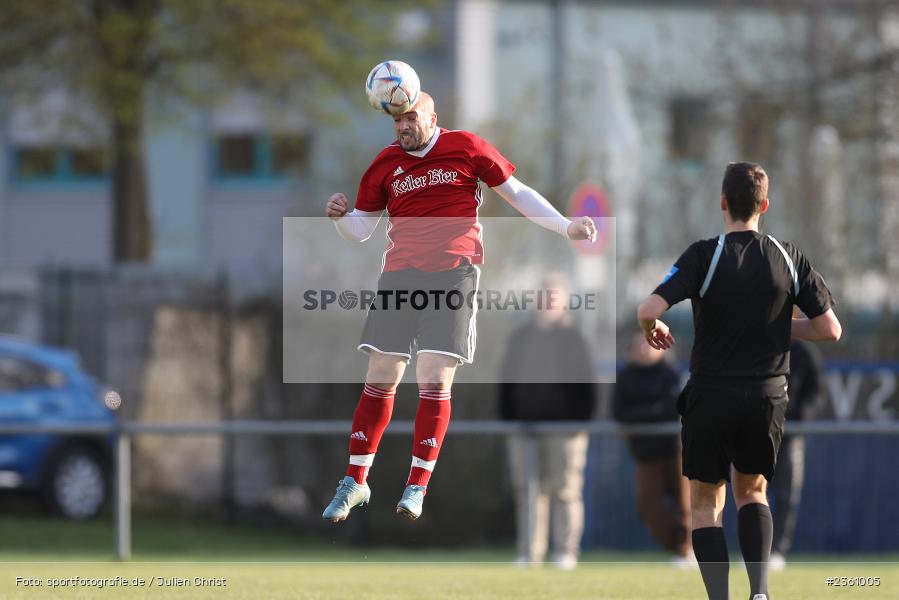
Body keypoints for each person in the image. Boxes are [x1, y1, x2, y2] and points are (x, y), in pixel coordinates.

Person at [321, 91, 597, 522]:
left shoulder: (465, 147)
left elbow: (517, 192)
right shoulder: (384, 164)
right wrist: (341, 218)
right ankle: (356, 481)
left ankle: (417, 485)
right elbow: (361, 229)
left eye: (410, 117)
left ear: (432, 116)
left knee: (432, 375)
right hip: (400, 275)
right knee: (382, 372)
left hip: (453, 274)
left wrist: (565, 226)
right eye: (396, 120)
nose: (402, 126)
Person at [636, 162, 841, 600]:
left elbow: (648, 309)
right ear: (764, 206)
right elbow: (829, 330)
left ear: (722, 202)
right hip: (767, 393)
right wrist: (777, 328)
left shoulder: (703, 255)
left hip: (710, 394)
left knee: (707, 504)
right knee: (753, 493)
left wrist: (651, 330)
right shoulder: (787, 255)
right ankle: (761, 593)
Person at [498, 274, 596, 570]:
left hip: (565, 429)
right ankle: (530, 553)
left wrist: (579, 421)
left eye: (553, 296)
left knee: (565, 489)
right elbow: (506, 379)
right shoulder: (520, 336)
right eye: (543, 296)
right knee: (527, 490)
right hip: (524, 427)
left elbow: (587, 384)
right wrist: (509, 417)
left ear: (565, 302)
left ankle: (566, 551)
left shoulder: (574, 337)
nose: (547, 302)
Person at [612, 333, 692, 566]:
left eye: (649, 345)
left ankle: (688, 550)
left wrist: (642, 414)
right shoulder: (625, 377)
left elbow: (672, 408)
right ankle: (677, 548)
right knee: (649, 507)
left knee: (686, 503)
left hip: (675, 449)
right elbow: (620, 413)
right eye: (638, 345)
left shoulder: (670, 374)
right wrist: (650, 413)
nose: (643, 350)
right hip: (645, 453)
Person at [769, 338, 824, 570]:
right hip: (758, 432)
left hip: (790, 435)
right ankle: (754, 550)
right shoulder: (757, 339)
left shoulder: (804, 351)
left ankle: (777, 551)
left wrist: (799, 415)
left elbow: (816, 391)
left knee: (786, 494)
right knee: (751, 493)